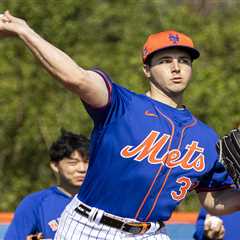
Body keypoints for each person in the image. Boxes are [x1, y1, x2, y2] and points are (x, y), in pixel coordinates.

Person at [1, 10, 240, 240]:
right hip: (88, 228)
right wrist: (25, 31)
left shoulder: (205, 138)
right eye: (165, 61)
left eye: (184, 61)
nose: (176, 67)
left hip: (151, 233)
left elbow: (213, 200)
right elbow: (77, 77)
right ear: (147, 69)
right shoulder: (120, 104)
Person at [4, 129, 89, 240]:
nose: (82, 169)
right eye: (73, 163)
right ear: (55, 165)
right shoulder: (35, 203)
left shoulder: (106, 201)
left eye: (87, 162)